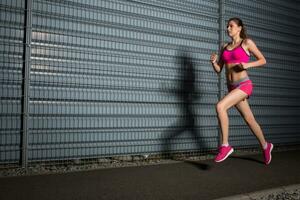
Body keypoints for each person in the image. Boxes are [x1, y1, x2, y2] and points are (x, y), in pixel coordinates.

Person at [210, 17, 273, 165]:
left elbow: (263, 60)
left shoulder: (246, 43)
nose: (228, 28)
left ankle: (225, 146)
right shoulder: (224, 47)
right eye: (227, 26)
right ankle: (266, 145)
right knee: (249, 119)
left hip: (244, 85)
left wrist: (247, 65)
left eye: (231, 26)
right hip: (232, 87)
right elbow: (219, 70)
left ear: (239, 28)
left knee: (220, 106)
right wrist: (213, 62)